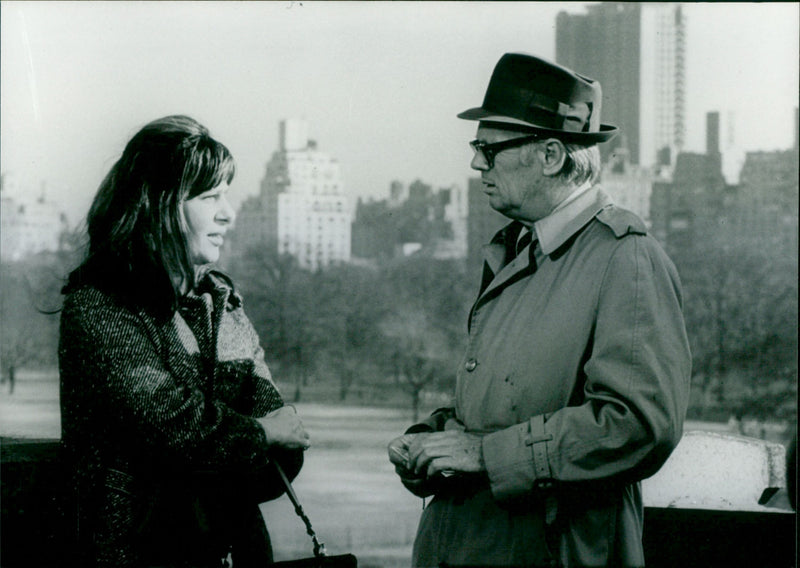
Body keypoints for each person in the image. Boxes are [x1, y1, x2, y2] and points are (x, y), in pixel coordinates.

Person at [388, 53, 691, 567]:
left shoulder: (627, 258)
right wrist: (436, 441)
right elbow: (511, 405)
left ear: (551, 155)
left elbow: (639, 424)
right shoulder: (521, 249)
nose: (476, 164)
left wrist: (483, 456)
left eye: (489, 148)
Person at [59, 115, 310, 568]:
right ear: (160, 204)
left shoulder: (224, 304)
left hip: (237, 553)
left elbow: (283, 457)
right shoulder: (100, 305)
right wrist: (258, 433)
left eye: (226, 195)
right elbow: (169, 425)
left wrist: (255, 437)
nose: (227, 212)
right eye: (210, 196)